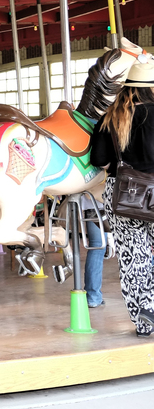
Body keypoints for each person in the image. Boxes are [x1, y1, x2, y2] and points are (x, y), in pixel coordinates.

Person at [89, 57, 154, 337]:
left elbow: (99, 161)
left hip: (125, 195)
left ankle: (144, 318)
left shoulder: (109, 118)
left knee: (131, 258)